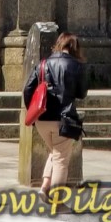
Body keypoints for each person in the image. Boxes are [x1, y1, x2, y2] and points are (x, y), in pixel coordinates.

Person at [22, 32, 89, 212]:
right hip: (63, 119)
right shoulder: (77, 66)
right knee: (61, 160)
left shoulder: (43, 64)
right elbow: (82, 93)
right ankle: (58, 201)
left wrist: (33, 109)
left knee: (55, 152)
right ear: (75, 48)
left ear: (58, 44)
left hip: (42, 119)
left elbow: (28, 89)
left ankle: (45, 186)